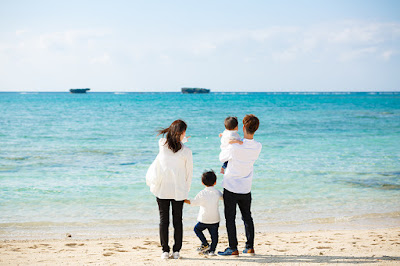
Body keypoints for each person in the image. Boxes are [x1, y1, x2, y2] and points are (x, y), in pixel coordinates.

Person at [146, 119, 193, 260]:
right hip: (179, 190)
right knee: (178, 221)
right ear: (183, 133)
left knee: (163, 220)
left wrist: (181, 138)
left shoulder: (162, 144)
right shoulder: (186, 151)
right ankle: (176, 251)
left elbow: (169, 141)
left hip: (162, 189)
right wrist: (186, 191)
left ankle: (165, 251)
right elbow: (188, 174)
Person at [217, 114, 262, 257]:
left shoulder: (234, 146)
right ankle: (250, 247)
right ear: (256, 129)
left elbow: (221, 158)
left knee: (230, 218)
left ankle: (233, 248)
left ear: (243, 127)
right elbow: (244, 145)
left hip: (231, 186)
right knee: (247, 217)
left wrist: (227, 142)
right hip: (245, 187)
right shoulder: (258, 146)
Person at [184, 170, 223, 256]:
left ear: (202, 183)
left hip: (204, 219)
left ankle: (205, 244)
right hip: (215, 219)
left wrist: (183, 200)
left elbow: (193, 202)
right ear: (215, 182)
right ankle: (212, 251)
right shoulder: (217, 192)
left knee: (197, 229)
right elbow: (224, 198)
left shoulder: (202, 193)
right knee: (214, 236)